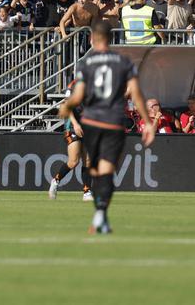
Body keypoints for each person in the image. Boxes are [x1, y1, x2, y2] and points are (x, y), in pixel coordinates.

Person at [59, 20, 155, 234]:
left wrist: (68, 107)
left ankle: (100, 217)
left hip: (91, 122)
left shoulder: (86, 63)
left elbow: (79, 94)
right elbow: (136, 93)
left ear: (93, 38)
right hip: (113, 122)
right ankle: (101, 215)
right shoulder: (124, 62)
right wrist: (147, 122)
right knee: (107, 171)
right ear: (111, 39)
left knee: (96, 167)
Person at [48, 79, 93, 201]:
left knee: (88, 161)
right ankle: (56, 181)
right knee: (74, 161)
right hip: (72, 126)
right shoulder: (74, 84)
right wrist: (76, 124)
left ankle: (87, 191)